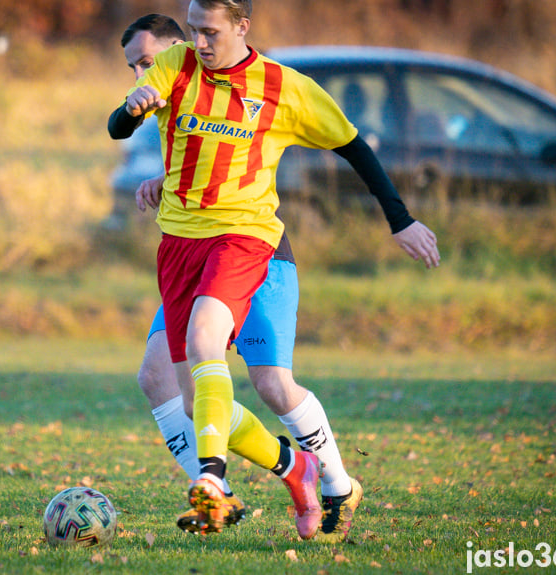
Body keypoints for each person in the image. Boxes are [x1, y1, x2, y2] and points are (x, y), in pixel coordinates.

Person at [109, 0, 439, 539]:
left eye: (210, 31)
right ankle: (294, 467)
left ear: (242, 27)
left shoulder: (283, 87)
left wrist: (400, 220)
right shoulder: (176, 69)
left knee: (257, 375)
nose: (200, 41)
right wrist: (132, 110)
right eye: (193, 30)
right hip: (181, 248)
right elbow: (125, 128)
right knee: (194, 398)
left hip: (250, 245)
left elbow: (354, 146)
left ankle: (232, 485)